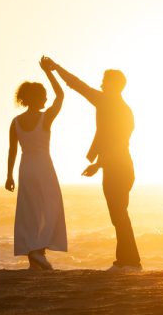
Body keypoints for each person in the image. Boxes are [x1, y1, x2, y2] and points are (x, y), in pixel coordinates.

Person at [41, 56, 140, 271]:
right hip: (119, 166)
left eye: (105, 81)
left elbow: (117, 144)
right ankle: (126, 260)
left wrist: (98, 164)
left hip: (118, 167)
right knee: (119, 215)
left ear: (114, 85)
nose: (101, 84)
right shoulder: (118, 106)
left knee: (119, 214)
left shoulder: (111, 104)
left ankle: (130, 262)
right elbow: (79, 86)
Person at [5, 58, 68, 270]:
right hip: (43, 166)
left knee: (30, 211)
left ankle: (35, 259)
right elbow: (60, 95)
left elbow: (12, 150)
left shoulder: (15, 122)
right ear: (36, 99)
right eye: (43, 96)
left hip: (25, 168)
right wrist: (49, 72)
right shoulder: (46, 118)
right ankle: (38, 251)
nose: (46, 99)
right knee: (49, 208)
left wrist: (9, 176)